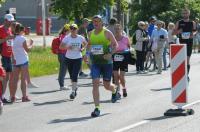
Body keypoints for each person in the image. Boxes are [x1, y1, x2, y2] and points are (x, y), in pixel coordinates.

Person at [88, 15, 119, 117]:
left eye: (97, 21)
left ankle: (114, 90)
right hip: (95, 63)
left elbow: (115, 45)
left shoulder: (107, 32)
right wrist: (86, 55)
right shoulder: (90, 33)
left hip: (107, 63)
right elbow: (89, 45)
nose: (96, 23)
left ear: (102, 22)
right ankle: (97, 108)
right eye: (94, 22)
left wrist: (110, 54)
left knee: (106, 86)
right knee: (95, 83)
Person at [60, 24, 87, 100]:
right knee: (71, 76)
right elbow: (61, 47)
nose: (73, 30)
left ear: (77, 29)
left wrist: (82, 49)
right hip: (69, 58)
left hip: (78, 58)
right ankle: (75, 87)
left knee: (75, 75)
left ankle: (73, 92)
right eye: (71, 28)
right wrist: (67, 47)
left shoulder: (80, 37)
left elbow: (86, 44)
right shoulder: (67, 38)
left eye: (74, 28)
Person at [11, 23, 33, 102]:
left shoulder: (13, 38)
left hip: (15, 60)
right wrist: (31, 44)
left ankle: (12, 96)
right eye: (23, 30)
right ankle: (24, 97)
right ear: (20, 30)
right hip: (23, 60)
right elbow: (27, 50)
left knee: (15, 79)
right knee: (23, 80)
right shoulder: (22, 38)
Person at [173, 8, 196, 81]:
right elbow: (173, 33)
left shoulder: (192, 22)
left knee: (188, 59)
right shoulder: (179, 22)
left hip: (189, 43)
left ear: (189, 14)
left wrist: (193, 34)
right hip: (181, 43)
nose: (185, 14)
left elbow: (195, 31)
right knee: (182, 60)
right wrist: (178, 31)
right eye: (183, 13)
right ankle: (182, 75)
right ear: (182, 14)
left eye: (186, 13)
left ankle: (186, 75)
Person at [0, 14, 15, 104]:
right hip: (2, 55)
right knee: (3, 77)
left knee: (7, 77)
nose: (10, 23)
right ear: (5, 20)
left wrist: (13, 56)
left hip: (8, 55)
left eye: (11, 21)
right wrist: (6, 38)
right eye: (9, 21)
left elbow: (10, 43)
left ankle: (3, 96)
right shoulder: (1, 29)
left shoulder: (9, 30)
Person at [113, 24, 130, 97]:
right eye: (115, 29)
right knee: (116, 76)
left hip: (124, 58)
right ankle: (118, 92)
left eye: (118, 29)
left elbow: (129, 47)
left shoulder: (125, 38)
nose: (117, 30)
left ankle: (124, 88)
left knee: (121, 77)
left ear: (121, 29)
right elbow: (110, 48)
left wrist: (125, 51)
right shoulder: (112, 38)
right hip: (115, 58)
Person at [57, 24, 70, 90]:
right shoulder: (64, 37)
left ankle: (61, 84)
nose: (70, 32)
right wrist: (69, 47)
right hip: (63, 55)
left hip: (61, 55)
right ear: (66, 31)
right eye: (69, 31)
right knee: (63, 70)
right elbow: (63, 47)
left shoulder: (61, 36)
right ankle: (61, 85)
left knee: (63, 70)